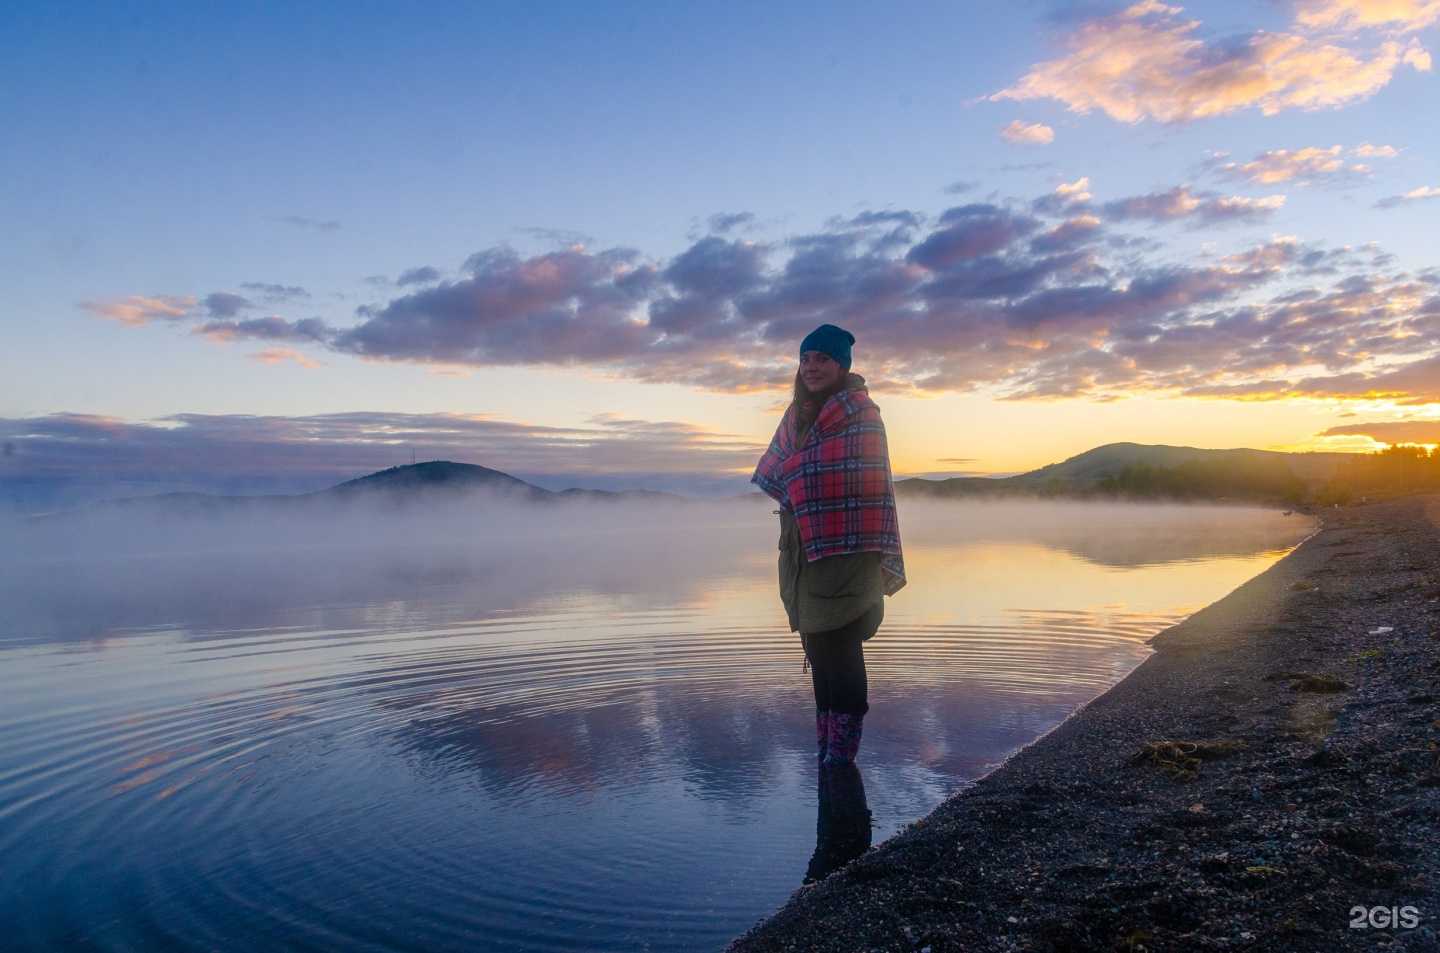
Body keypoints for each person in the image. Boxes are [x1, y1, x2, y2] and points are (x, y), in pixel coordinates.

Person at [750, 323, 906, 767]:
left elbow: (868, 483)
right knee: (817, 646)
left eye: (822, 359)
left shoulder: (861, 415)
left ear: (841, 366)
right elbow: (780, 468)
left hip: (849, 551)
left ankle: (843, 748)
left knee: (841, 648)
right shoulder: (797, 414)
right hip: (803, 550)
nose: (812, 368)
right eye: (806, 359)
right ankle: (826, 738)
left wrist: (804, 475)